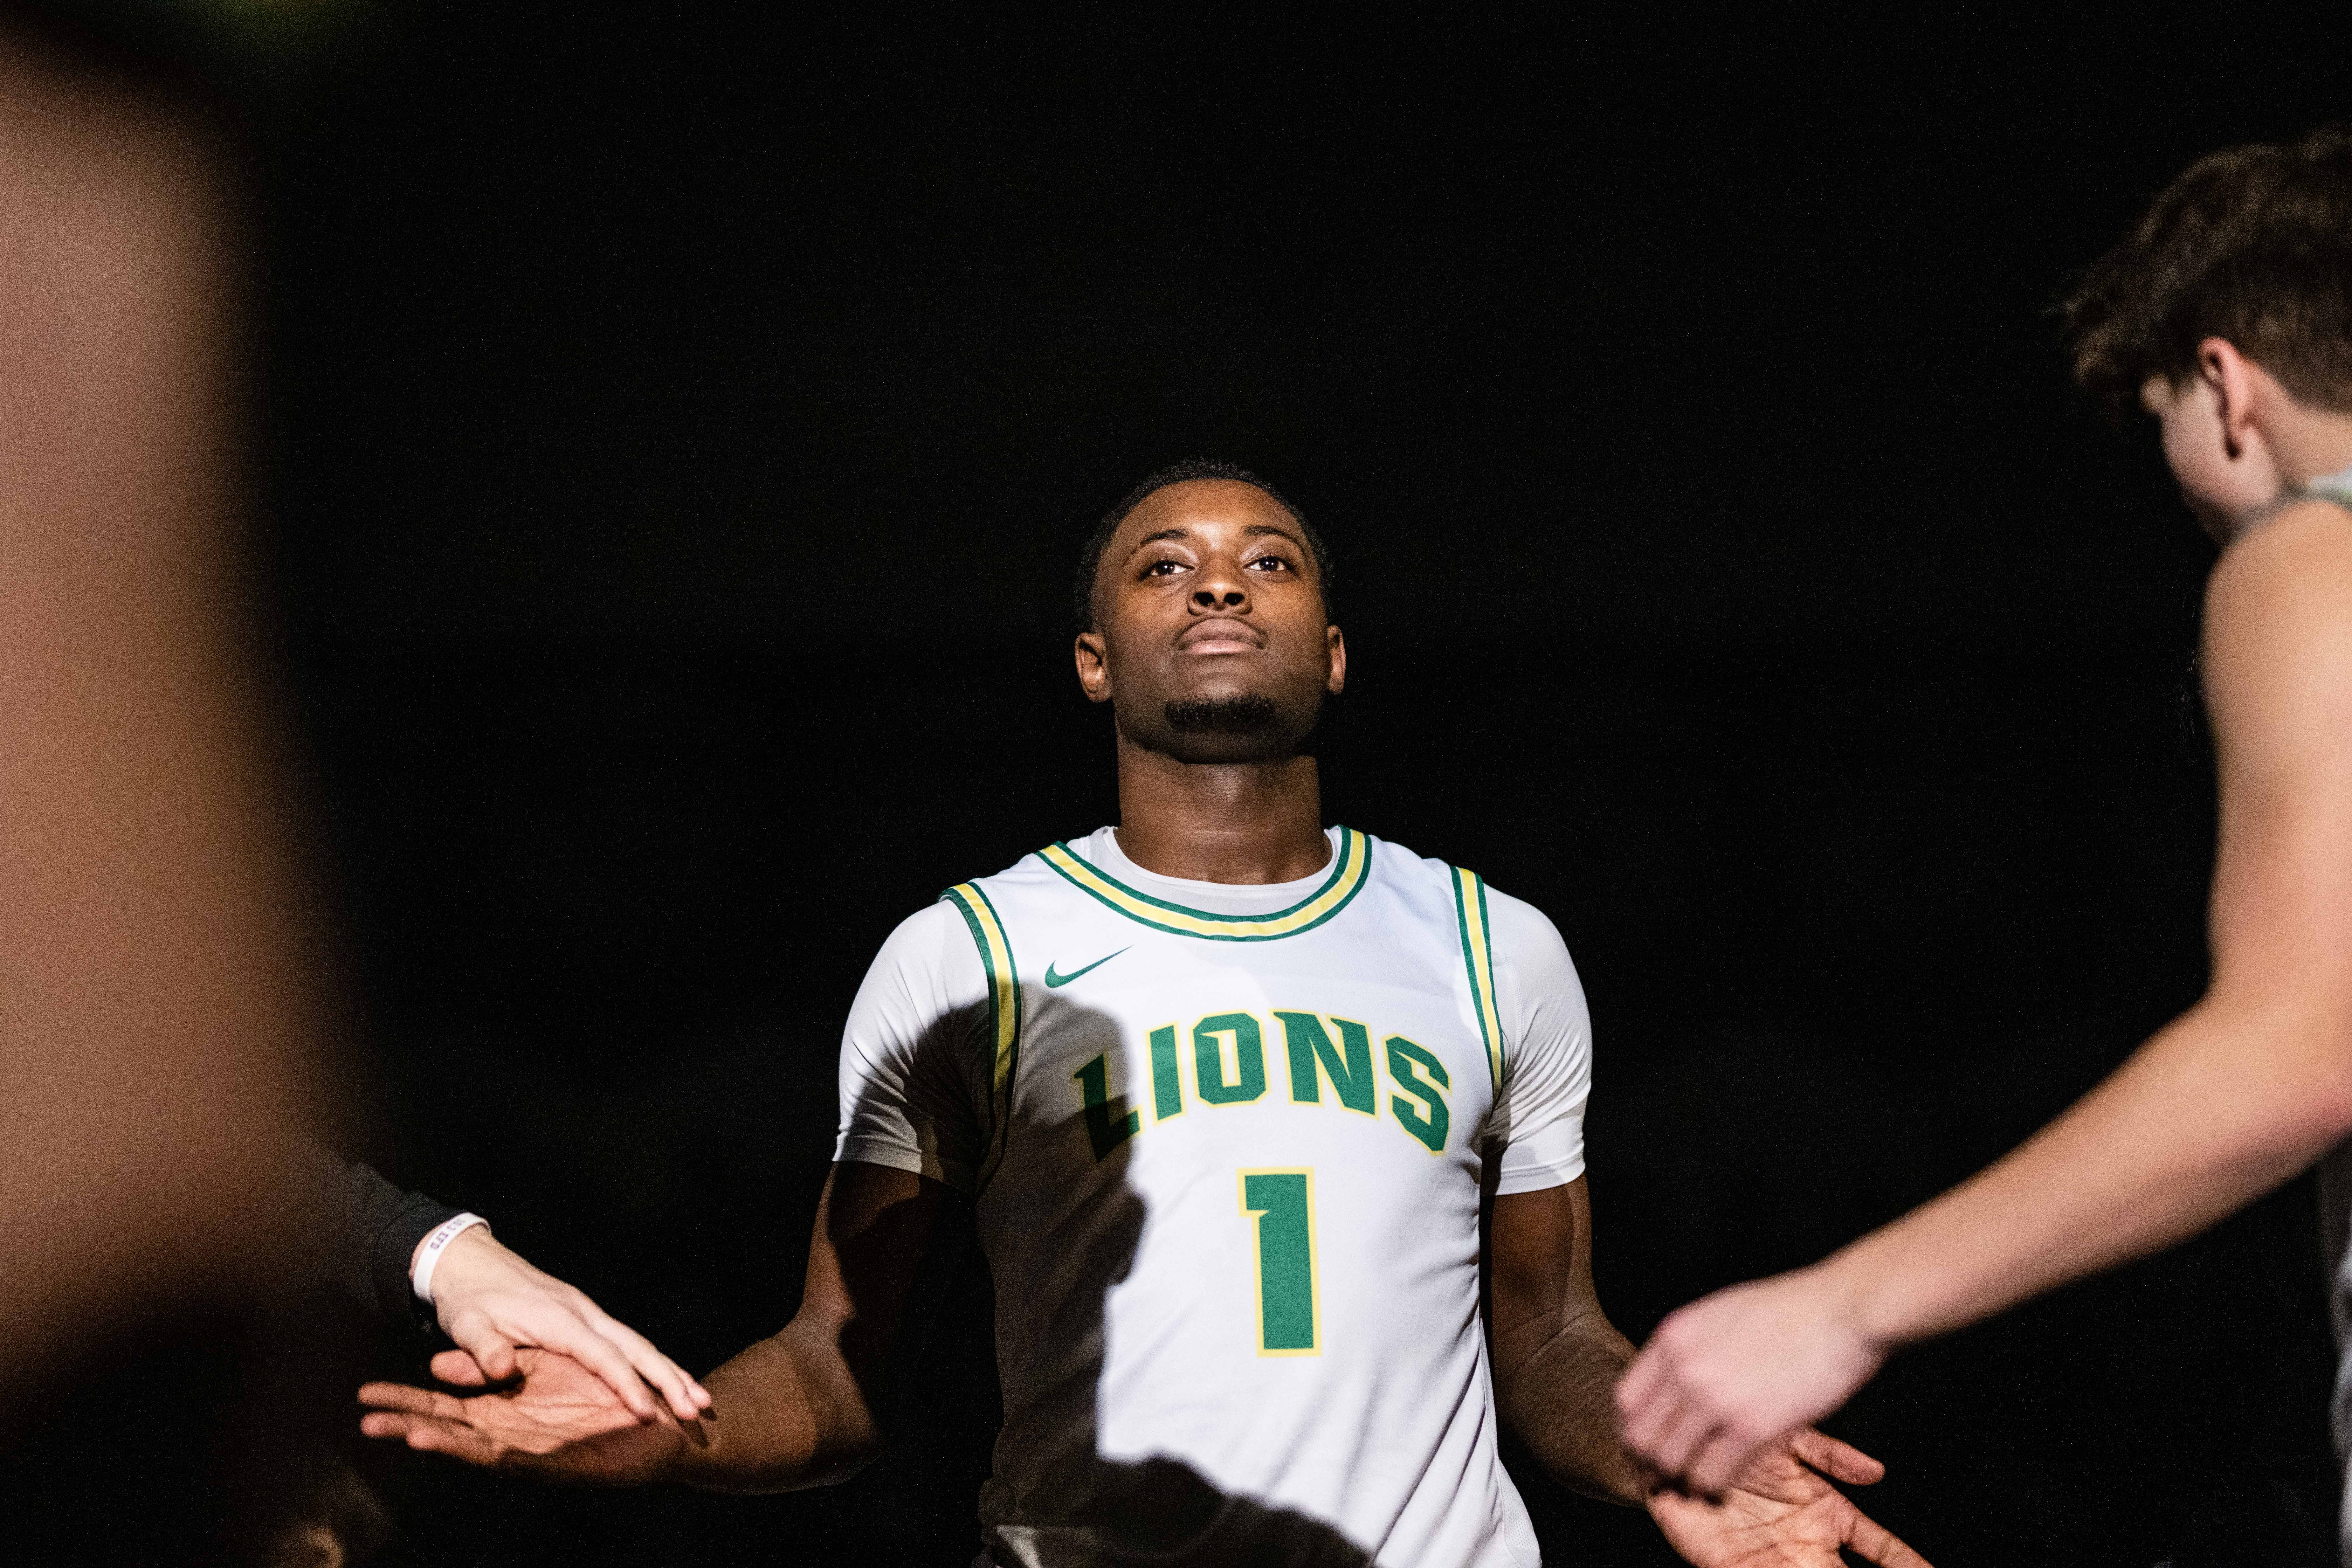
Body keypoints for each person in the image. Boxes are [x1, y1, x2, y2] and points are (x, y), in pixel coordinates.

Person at [359, 461, 1927, 1567]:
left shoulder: (1489, 943)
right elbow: (838, 1367)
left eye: (1269, 557)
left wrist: (1673, 1449)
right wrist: (674, 1436)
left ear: (1328, 649)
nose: (1219, 579)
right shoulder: (963, 955)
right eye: (1164, 564)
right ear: (1096, 663)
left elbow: (1553, 1335)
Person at [1613, 125, 2352, 1531]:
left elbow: (2298, 1050)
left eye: (2161, 435)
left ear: (2223, 387)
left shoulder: (2311, 550)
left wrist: (1840, 1304)